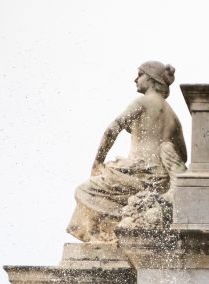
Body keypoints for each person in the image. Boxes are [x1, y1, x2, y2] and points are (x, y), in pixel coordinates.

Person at [67, 61, 187, 243]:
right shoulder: (174, 116)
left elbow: (112, 130)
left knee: (83, 191)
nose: (135, 79)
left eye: (140, 74)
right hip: (160, 179)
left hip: (137, 172)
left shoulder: (143, 102)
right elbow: (183, 155)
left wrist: (98, 161)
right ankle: (112, 231)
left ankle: (101, 237)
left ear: (151, 78)